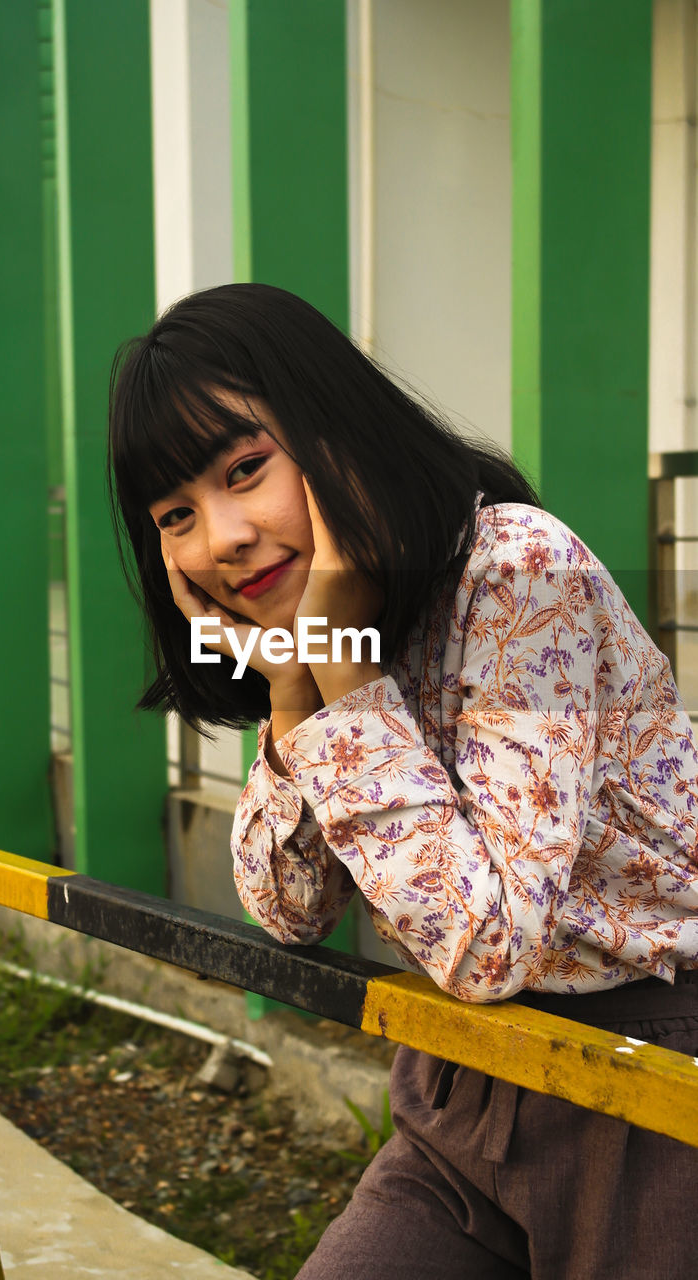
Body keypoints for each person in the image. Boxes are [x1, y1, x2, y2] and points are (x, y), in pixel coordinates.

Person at [108, 282, 698, 1279]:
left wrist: (340, 669)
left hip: (648, 1074)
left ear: (333, 428)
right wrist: (296, 689)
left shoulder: (518, 571)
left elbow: (489, 943)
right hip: (461, 1085)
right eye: (176, 515)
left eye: (245, 469)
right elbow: (289, 906)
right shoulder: (334, 621)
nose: (219, 538)